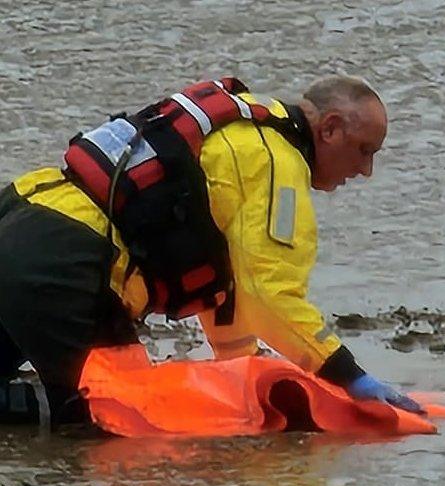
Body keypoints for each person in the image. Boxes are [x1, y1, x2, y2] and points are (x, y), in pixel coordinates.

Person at [0, 75, 421, 424]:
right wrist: (350, 376)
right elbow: (268, 296)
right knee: (117, 418)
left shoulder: (244, 127)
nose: (366, 170)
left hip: (20, 215)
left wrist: (246, 377)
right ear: (329, 128)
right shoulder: (278, 165)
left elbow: (224, 289)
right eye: (365, 151)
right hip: (68, 263)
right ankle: (38, 419)